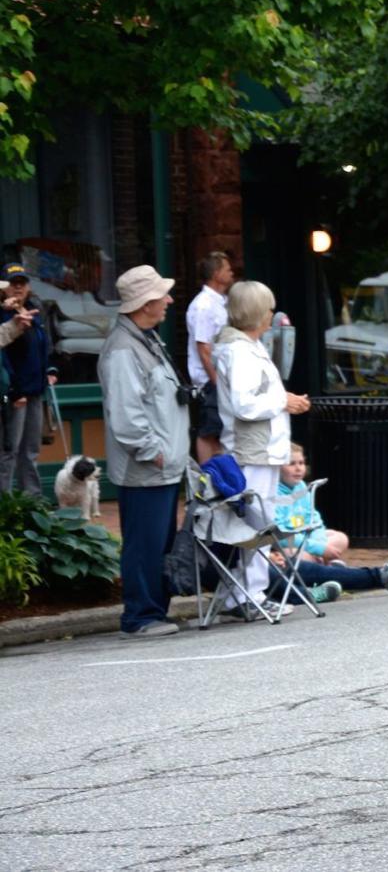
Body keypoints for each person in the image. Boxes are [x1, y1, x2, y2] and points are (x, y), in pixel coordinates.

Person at [97, 265, 188, 638]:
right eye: (162, 295)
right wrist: (154, 451)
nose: (168, 300)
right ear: (145, 303)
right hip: (147, 466)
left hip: (161, 465)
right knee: (144, 544)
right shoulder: (123, 348)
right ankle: (140, 615)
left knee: (157, 543)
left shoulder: (144, 339)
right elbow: (127, 414)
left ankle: (153, 610)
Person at [213, 280, 312, 620]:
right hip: (252, 450)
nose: (272, 315)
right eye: (268, 309)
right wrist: (284, 401)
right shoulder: (239, 351)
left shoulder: (243, 347)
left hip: (260, 449)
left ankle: (241, 593)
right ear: (256, 313)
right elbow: (244, 404)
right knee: (258, 524)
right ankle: (249, 594)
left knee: (257, 524)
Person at [268, 442, 388, 603]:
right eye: (291, 464)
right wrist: (319, 548)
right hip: (290, 547)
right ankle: (376, 576)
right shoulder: (273, 493)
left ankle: (332, 574)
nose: (298, 468)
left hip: (306, 542)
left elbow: (314, 520)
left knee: (339, 538)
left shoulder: (302, 487)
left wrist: (320, 544)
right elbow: (279, 535)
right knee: (292, 556)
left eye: (301, 463)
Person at [0, 264, 55, 495]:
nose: (19, 287)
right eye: (14, 283)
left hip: (35, 389)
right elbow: (3, 356)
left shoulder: (34, 308)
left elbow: (44, 344)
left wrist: (50, 369)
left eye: (22, 282)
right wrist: (14, 388)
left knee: (31, 449)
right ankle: (5, 506)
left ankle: (31, 502)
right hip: (15, 393)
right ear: (4, 288)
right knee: (9, 450)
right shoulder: (3, 314)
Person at [186, 251, 234, 464]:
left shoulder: (222, 301)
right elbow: (203, 348)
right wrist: (217, 382)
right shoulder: (204, 305)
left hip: (223, 376)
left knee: (221, 431)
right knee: (209, 431)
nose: (231, 272)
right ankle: (209, 480)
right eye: (227, 269)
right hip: (210, 379)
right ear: (216, 273)